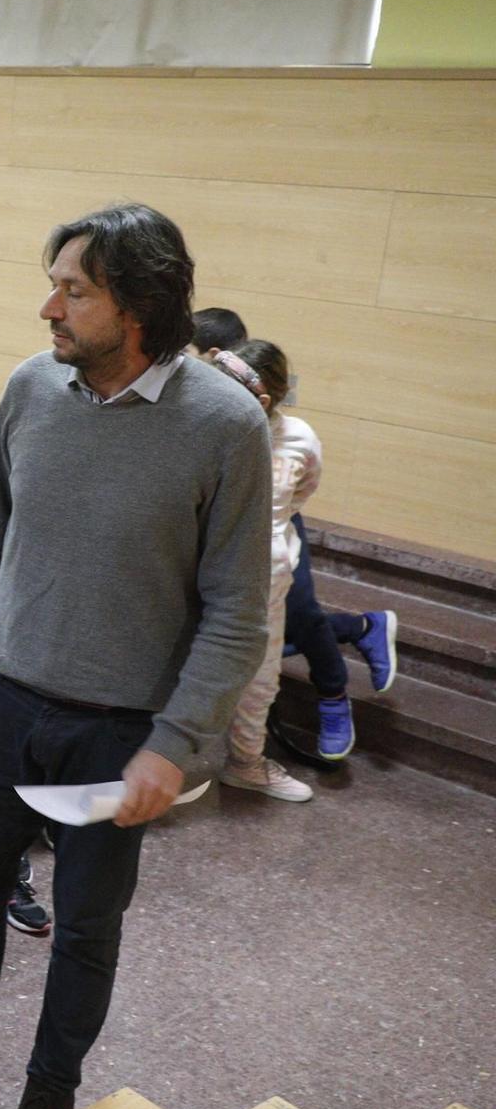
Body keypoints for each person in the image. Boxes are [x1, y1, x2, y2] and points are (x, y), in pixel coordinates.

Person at [0, 203, 273, 1109]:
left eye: (73, 290)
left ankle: (50, 1090)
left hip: (116, 731)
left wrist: (173, 745)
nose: (49, 307)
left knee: (86, 924)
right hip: (3, 701)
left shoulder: (226, 426)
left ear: (135, 305)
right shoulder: (31, 387)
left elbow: (237, 611)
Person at [209, 341, 323, 804]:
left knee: (260, 680)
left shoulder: (298, 439)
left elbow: (301, 493)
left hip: (264, 585)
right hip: (198, 578)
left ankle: (246, 764)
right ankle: (135, 769)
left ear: (263, 402)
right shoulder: (204, 434)